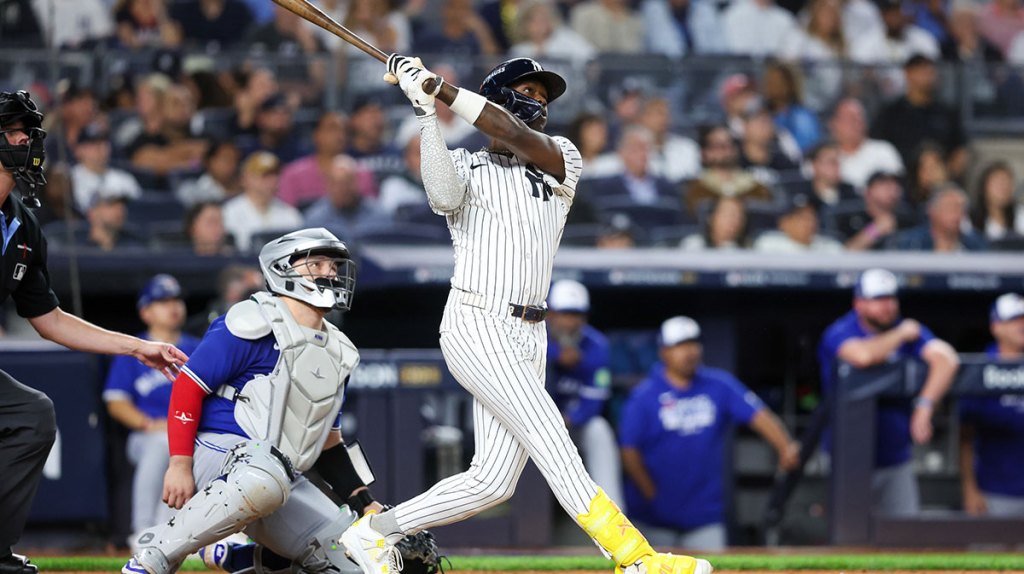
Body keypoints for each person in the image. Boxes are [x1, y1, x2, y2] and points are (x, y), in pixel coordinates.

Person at [339, 56, 712, 574]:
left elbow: (509, 128)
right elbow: (442, 195)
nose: (538, 101)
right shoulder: (468, 164)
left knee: (492, 480)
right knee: (552, 438)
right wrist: (427, 111)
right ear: (495, 94)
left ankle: (375, 533)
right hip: (477, 321)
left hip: (530, 333)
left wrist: (443, 88)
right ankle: (636, 559)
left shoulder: (562, 156)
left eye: (544, 95)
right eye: (528, 90)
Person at [0, 90, 186, 574]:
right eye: (13, 132)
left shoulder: (22, 225)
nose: (26, 141)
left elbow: (49, 320)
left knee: (32, 414)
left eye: (26, 132)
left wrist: (138, 346)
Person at [121, 228, 372, 574]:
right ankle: (155, 555)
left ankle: (246, 561)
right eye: (316, 264)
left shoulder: (338, 351)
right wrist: (179, 464)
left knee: (354, 562)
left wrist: (367, 504)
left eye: (333, 264)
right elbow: (188, 388)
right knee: (265, 476)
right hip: (215, 454)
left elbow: (329, 445)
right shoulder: (251, 320)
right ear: (283, 270)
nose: (330, 272)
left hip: (279, 476)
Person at [620, 316, 800, 551]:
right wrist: (651, 495)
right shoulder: (644, 395)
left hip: (705, 518)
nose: (689, 352)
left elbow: (759, 416)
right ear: (664, 352)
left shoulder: (718, 385)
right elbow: (629, 451)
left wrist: (784, 446)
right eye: (680, 346)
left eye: (693, 344)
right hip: (653, 520)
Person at [818, 268, 960, 515]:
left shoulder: (908, 331)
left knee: (905, 537)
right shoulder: (841, 330)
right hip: (848, 457)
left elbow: (947, 359)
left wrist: (924, 405)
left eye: (891, 298)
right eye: (878, 299)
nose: (887, 306)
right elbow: (862, 356)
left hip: (896, 457)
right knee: (849, 537)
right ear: (859, 303)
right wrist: (901, 335)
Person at [103, 275, 201, 549]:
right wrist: (149, 424)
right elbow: (116, 402)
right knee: (164, 443)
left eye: (176, 299)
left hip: (193, 434)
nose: (173, 306)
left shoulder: (198, 347)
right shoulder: (134, 350)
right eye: (163, 301)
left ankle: (174, 535)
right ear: (146, 311)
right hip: (146, 437)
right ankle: (144, 532)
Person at [545, 280, 623, 506]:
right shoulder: (534, 339)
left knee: (599, 430)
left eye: (576, 314)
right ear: (550, 315)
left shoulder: (596, 345)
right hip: (532, 424)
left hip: (572, 424)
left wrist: (568, 420)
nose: (570, 322)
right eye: (564, 314)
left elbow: (595, 398)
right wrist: (556, 354)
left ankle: (615, 514)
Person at [960, 293, 1024, 516]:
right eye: (1014, 320)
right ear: (996, 327)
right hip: (995, 492)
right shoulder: (980, 369)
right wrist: (970, 488)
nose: (1021, 325)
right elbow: (965, 436)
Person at [221, 151, 303, 252]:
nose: (272, 180)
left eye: (275, 175)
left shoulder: (290, 213)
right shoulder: (229, 212)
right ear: (244, 178)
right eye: (264, 175)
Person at [829, 98, 904, 192]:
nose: (854, 124)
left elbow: (896, 188)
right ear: (834, 124)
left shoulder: (884, 151)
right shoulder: (825, 158)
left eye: (858, 118)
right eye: (849, 119)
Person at [889, 184, 988, 252]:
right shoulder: (909, 243)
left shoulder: (976, 245)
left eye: (961, 209)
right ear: (932, 211)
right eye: (950, 208)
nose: (958, 214)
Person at [839, 171, 917, 251]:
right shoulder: (850, 218)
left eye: (894, 184)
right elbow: (847, 251)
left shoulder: (907, 218)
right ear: (868, 192)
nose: (892, 187)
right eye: (883, 183)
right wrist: (875, 230)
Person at [752, 192, 844, 253]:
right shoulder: (769, 244)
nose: (809, 222)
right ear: (783, 223)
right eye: (801, 217)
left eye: (812, 216)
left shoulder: (830, 247)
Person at [970, 161, 1022, 241]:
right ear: (984, 187)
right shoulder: (970, 218)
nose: (1004, 188)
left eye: (1007, 183)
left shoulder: (1020, 214)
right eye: (998, 183)